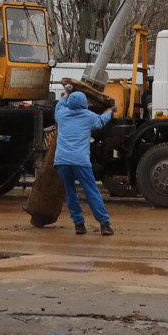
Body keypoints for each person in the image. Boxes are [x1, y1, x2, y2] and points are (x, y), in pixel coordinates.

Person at [53, 90, 114, 236]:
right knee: (91, 191)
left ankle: (79, 225)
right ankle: (104, 224)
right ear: (84, 104)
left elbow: (60, 103)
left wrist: (67, 92)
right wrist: (111, 111)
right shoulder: (88, 116)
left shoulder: (61, 114)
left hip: (62, 161)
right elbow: (102, 121)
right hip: (80, 161)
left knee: (70, 192)